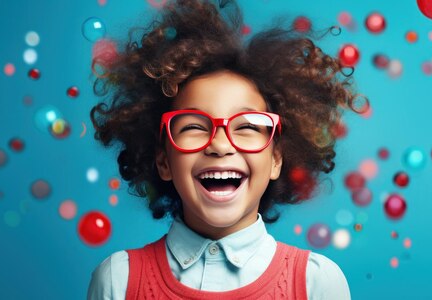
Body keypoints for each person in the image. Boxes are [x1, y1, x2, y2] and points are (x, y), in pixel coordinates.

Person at [87, 0, 367, 299]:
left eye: (247, 127)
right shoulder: (118, 279)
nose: (220, 145)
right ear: (163, 161)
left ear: (276, 160)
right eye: (194, 127)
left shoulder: (317, 282)